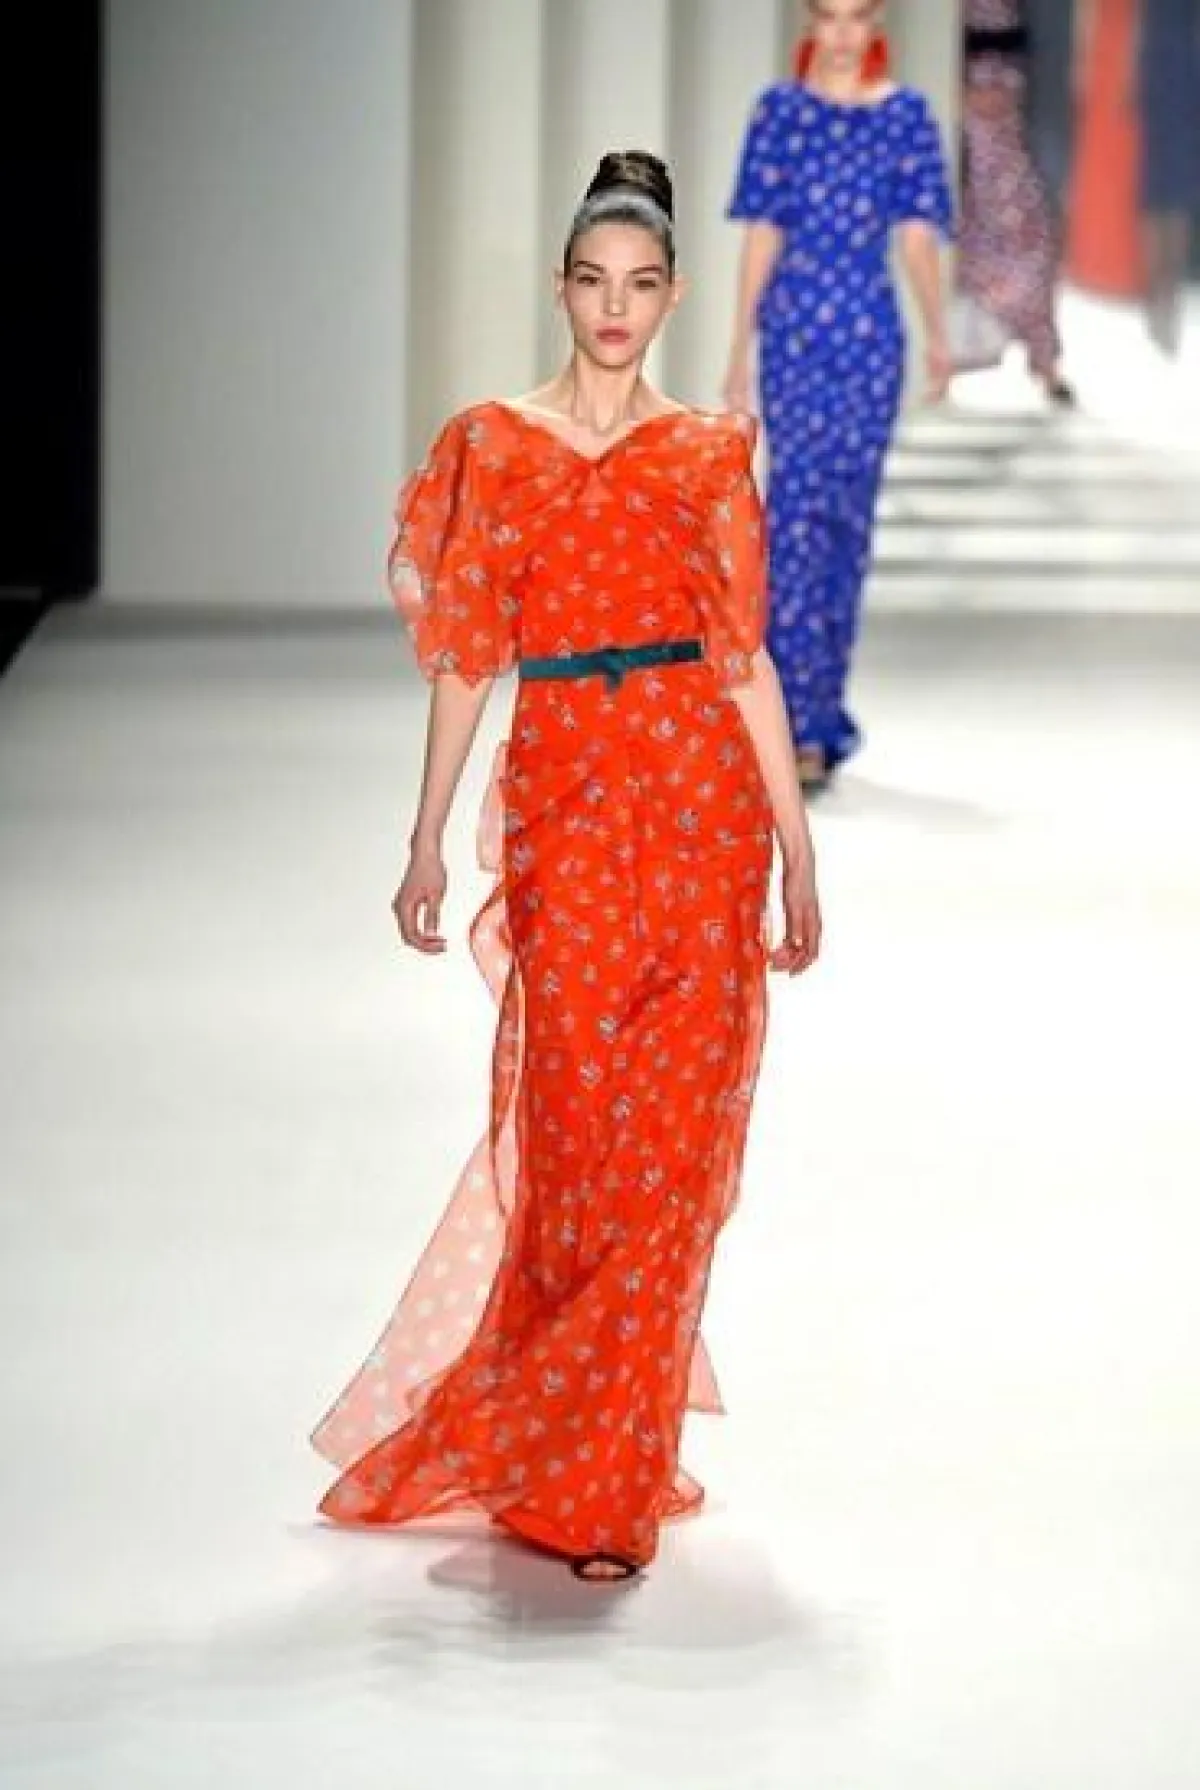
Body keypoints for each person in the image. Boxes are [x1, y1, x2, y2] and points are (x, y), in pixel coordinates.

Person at [311, 151, 822, 1584]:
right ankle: (552, 1430)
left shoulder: (710, 451)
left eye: (641, 284)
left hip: (703, 814)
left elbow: (745, 659)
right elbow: (468, 656)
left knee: (671, 1155)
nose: (615, 306)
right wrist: (425, 833)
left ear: (671, 297)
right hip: (570, 812)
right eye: (594, 280)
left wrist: (797, 851)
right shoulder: (494, 446)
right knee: (578, 1138)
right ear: (561, 287)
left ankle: (605, 1487)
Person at [722, 0, 953, 793]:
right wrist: (738, 345)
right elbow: (762, 232)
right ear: (810, 23)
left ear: (877, 20)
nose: (845, 32)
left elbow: (917, 239)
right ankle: (792, 725)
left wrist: (939, 333)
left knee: (845, 526)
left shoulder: (907, 116)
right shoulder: (780, 112)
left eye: (857, 15)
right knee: (793, 519)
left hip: (866, 342)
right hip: (793, 336)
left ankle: (819, 714)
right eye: (830, 15)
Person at [952, 0, 1076, 404]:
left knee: (1035, 248)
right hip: (969, 146)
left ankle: (1044, 361)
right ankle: (945, 360)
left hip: (1012, 142)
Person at [1135, 0, 1200, 355]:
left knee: (1165, 193)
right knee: (1169, 194)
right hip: (1173, 74)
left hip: (1173, 74)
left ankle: (1161, 296)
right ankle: (1162, 296)